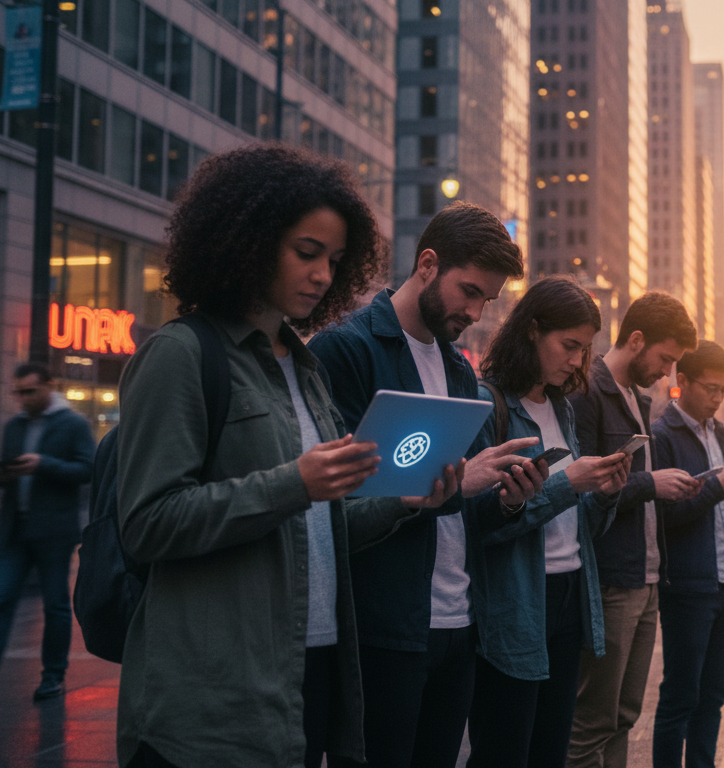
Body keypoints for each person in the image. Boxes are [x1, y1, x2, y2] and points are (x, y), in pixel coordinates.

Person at [106, 145, 462, 767]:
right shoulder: (181, 354)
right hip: (215, 694)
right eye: (306, 252)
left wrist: (403, 503)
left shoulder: (306, 366)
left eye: (335, 259)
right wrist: (291, 483)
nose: (323, 274)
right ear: (248, 240)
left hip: (311, 675)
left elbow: (317, 530)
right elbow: (146, 524)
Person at [310, 201, 547, 767]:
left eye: (487, 300)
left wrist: (507, 499)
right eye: (469, 291)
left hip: (457, 624)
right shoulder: (346, 349)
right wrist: (446, 488)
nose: (476, 310)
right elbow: (331, 507)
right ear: (427, 264)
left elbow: (463, 509)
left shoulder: (462, 370)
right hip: (382, 627)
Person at [466, 276, 632, 766]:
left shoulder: (562, 407)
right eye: (569, 346)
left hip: (569, 592)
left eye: (585, 350)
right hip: (517, 596)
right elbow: (479, 519)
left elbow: (581, 526)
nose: (577, 361)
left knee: (552, 748)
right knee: (505, 748)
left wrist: (603, 493)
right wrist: (567, 484)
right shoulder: (487, 402)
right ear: (532, 331)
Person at [567, 292, 700, 768]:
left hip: (644, 579)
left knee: (624, 714)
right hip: (610, 578)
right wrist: (650, 483)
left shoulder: (638, 401)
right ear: (637, 340)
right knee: (592, 719)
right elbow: (581, 488)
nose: (666, 373)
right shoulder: (587, 392)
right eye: (665, 360)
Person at [650, 342, 724, 767]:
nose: (718, 398)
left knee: (714, 694)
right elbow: (665, 516)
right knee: (681, 694)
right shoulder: (663, 437)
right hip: (688, 585)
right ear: (682, 383)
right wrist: (718, 487)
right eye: (711, 388)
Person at [0, 364, 93, 706]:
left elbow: (88, 469)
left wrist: (42, 464)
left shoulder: (73, 423)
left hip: (53, 531)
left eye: (30, 391)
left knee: (56, 605)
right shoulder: (14, 425)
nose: (23, 399)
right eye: (18, 392)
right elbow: (9, 467)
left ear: (49, 386)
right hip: (14, 529)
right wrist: (3, 476)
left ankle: (53, 676)